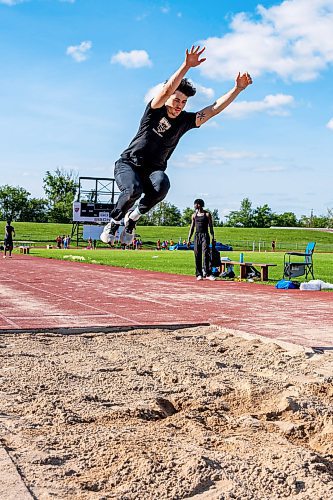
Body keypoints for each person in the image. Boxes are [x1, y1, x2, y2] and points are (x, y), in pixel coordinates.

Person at [101, 45, 252, 246]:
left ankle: (132, 219)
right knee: (133, 190)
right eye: (176, 99)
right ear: (168, 98)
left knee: (163, 185)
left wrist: (237, 89)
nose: (179, 105)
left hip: (153, 170)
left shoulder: (185, 121)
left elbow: (213, 110)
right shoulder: (154, 111)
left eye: (184, 102)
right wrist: (186, 66)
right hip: (129, 165)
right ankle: (114, 221)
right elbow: (166, 90)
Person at [187, 199, 216, 281]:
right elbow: (192, 228)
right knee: (197, 254)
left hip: (205, 235)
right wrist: (188, 239)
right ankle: (199, 274)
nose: (194, 206)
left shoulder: (207, 214)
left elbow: (211, 226)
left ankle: (208, 273)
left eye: (195, 204)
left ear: (199, 205)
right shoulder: (194, 215)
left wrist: (213, 237)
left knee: (206, 253)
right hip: (197, 236)